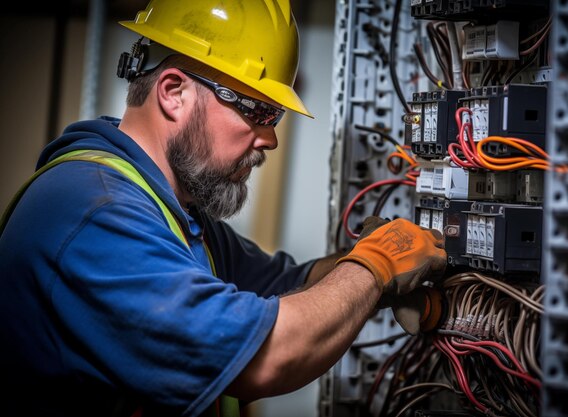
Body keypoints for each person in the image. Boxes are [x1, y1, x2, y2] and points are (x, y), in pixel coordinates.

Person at [0, 1, 447, 416]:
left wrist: (378, 258)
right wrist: (375, 265)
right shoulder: (94, 210)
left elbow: (286, 286)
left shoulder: (170, 208)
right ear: (174, 92)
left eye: (275, 117)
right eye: (257, 111)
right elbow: (266, 356)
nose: (269, 138)